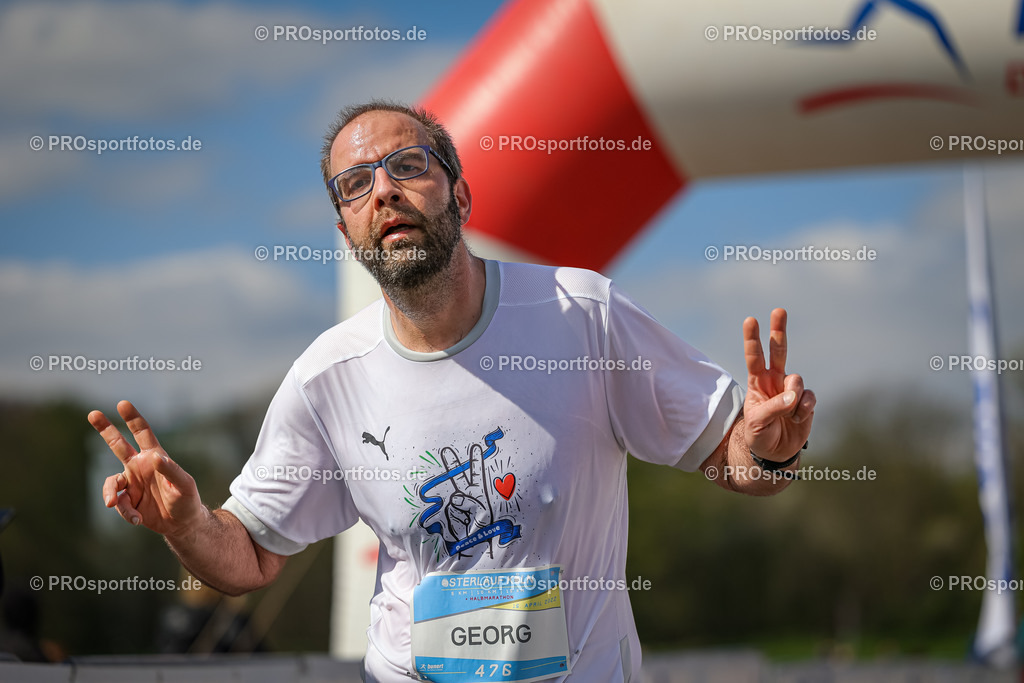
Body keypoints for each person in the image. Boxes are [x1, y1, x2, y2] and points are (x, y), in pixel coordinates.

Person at [88, 100, 816, 682]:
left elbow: (730, 460)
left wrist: (766, 449)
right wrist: (186, 523)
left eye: (408, 165)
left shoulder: (582, 314)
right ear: (346, 232)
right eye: (355, 184)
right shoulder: (326, 378)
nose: (384, 190)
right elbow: (247, 556)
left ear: (461, 193)